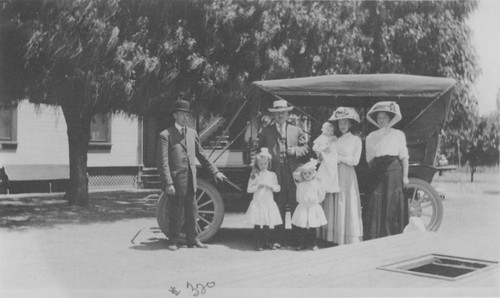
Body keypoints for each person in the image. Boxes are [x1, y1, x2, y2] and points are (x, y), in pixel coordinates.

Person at [157, 100, 227, 251]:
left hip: (191, 180)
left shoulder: (192, 133)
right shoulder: (166, 135)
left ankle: (193, 240)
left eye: (186, 115)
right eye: (181, 114)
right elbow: (162, 162)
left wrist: (215, 171)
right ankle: (174, 241)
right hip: (175, 181)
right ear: (175, 115)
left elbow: (202, 155)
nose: (184, 117)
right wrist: (168, 183)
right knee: (175, 212)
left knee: (192, 211)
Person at [258, 99, 309, 248]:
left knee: (295, 205)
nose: (280, 115)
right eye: (277, 113)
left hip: (293, 172)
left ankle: (297, 240)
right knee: (278, 205)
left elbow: (306, 148)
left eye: (283, 113)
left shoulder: (296, 129)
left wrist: (296, 151)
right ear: (273, 115)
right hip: (274, 173)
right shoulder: (266, 131)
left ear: (288, 114)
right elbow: (257, 149)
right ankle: (279, 239)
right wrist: (258, 166)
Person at [365, 101, 410, 239]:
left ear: (390, 119)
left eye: (384, 117)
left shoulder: (398, 134)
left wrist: (405, 176)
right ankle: (376, 236)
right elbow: (369, 158)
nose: (382, 120)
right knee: (377, 201)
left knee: (392, 202)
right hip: (378, 171)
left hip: (394, 170)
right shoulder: (371, 136)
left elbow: (404, 156)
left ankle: (393, 236)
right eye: (379, 118)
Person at [324, 107, 363, 245]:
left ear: (350, 124)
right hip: (335, 173)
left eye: (345, 123)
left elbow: (355, 161)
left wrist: (339, 158)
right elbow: (328, 155)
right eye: (340, 123)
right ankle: (335, 236)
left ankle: (348, 236)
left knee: (346, 200)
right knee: (335, 200)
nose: (343, 126)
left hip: (347, 174)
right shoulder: (335, 139)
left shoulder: (356, 140)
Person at [245, 148, 282, 251]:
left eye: (265, 163)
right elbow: (249, 189)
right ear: (257, 164)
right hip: (258, 202)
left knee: (266, 223)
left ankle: (266, 242)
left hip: (268, 202)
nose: (263, 166)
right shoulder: (254, 175)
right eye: (260, 164)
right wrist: (258, 186)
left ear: (268, 163)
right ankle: (257, 243)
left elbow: (278, 188)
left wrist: (271, 186)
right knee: (257, 223)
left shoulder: (272, 175)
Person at [291, 159, 327, 250]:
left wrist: (316, 201)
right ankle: (302, 243)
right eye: (305, 173)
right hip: (303, 207)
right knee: (302, 226)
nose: (307, 175)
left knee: (312, 227)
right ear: (302, 175)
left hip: (312, 207)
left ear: (313, 173)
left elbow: (321, 194)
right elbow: (298, 196)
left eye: (309, 173)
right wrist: (303, 202)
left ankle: (314, 244)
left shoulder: (316, 184)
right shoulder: (301, 185)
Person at [312, 122, 340, 194]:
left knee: (332, 172)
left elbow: (335, 148)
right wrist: (324, 148)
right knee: (325, 172)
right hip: (325, 158)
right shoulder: (321, 138)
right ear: (324, 130)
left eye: (332, 130)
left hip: (332, 159)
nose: (330, 132)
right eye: (328, 130)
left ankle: (331, 187)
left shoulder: (333, 138)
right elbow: (314, 148)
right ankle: (323, 187)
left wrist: (333, 142)